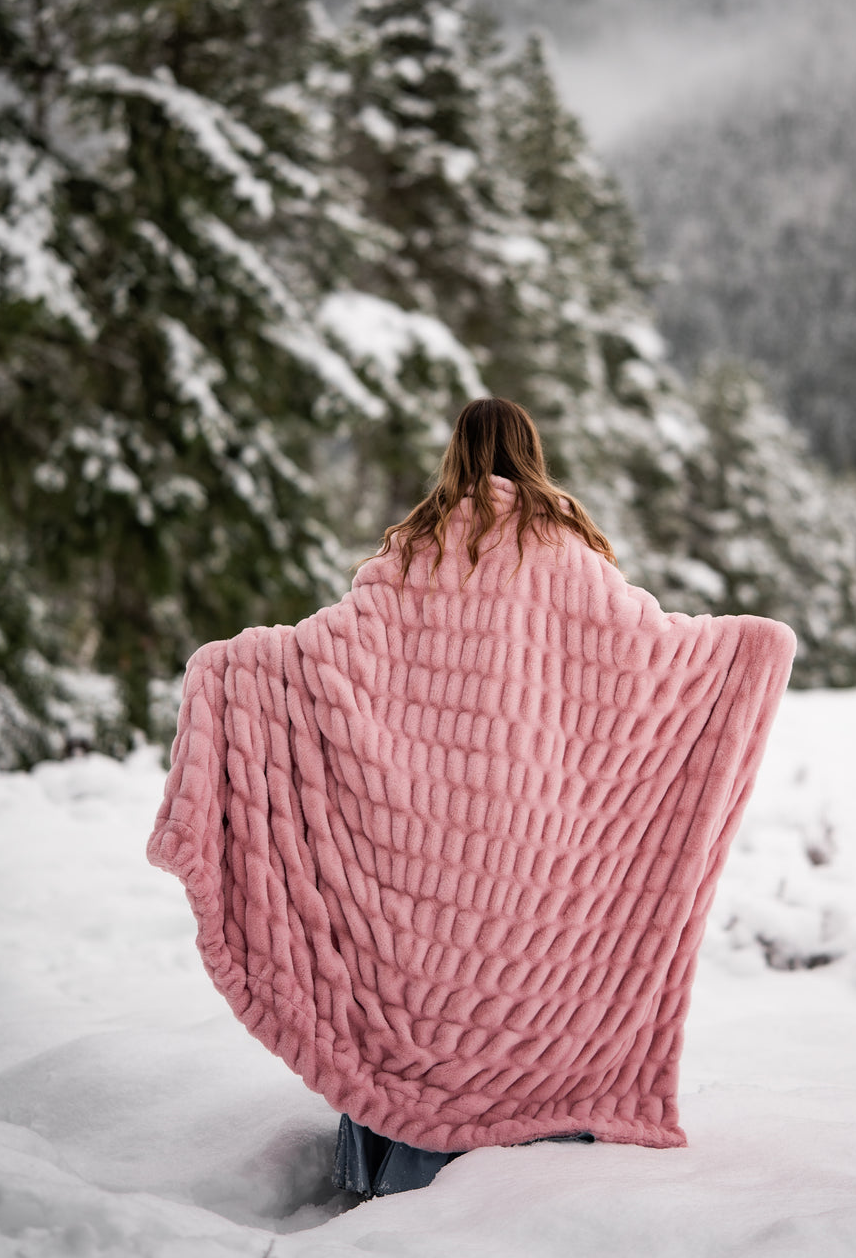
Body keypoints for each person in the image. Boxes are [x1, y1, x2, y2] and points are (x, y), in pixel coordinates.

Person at [148, 398, 796, 1200]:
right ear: (531, 455)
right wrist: (750, 649)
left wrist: (227, 669)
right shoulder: (572, 561)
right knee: (522, 986)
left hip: (423, 860)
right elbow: (654, 660)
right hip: (535, 852)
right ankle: (524, 1152)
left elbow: (326, 658)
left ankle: (394, 1163)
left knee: (423, 1005)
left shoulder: (414, 556)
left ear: (456, 453)